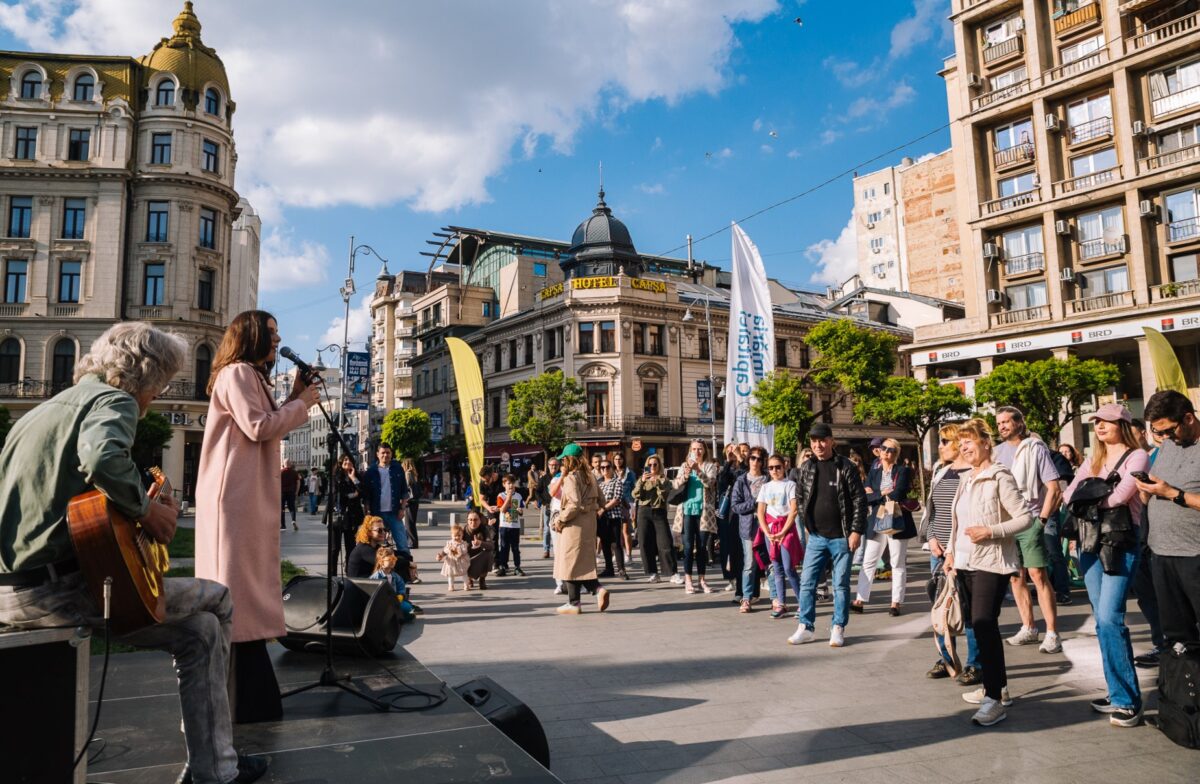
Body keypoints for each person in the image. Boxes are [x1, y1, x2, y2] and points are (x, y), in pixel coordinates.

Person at [0, 323, 267, 784]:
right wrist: (147, 512)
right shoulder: (114, 400)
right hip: (60, 593)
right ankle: (217, 764)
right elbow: (103, 457)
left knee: (200, 631)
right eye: (161, 385)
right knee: (219, 598)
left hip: (11, 592)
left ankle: (214, 763)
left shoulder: (41, 413)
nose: (155, 399)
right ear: (146, 375)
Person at [195, 310, 317, 725]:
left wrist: (293, 397)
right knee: (238, 586)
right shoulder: (237, 373)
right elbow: (258, 427)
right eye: (271, 332)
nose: (278, 340)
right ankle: (242, 695)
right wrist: (301, 404)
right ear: (250, 336)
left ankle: (244, 692)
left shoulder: (245, 375)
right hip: (236, 497)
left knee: (242, 586)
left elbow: (264, 424)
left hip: (241, 495)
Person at [1061, 404, 1148, 727]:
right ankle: (1117, 691)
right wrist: (1089, 498)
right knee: (1102, 620)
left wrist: (1088, 499)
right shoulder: (1092, 459)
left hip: (1119, 542)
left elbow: (1121, 496)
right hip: (1089, 542)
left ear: (1121, 425)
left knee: (1111, 618)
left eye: (1107, 421)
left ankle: (1128, 701)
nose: (1099, 426)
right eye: (1096, 421)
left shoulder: (1137, 456)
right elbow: (1069, 494)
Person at [945, 418, 1033, 727]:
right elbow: (958, 521)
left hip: (991, 561)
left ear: (986, 443)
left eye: (969, 441)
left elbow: (1025, 517)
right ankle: (999, 688)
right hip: (964, 563)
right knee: (979, 625)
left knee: (984, 624)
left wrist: (991, 531)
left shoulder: (998, 476)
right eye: (961, 443)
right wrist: (950, 552)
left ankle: (994, 699)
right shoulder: (967, 478)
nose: (964, 447)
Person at [1135, 391, 1200, 676]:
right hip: (1162, 553)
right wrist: (1147, 490)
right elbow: (1158, 488)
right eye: (1157, 432)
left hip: (1194, 554)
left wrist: (1173, 493)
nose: (1164, 438)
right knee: (1177, 637)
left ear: (1188, 418)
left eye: (1169, 430)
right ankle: (1185, 698)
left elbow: (1173, 492)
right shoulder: (1169, 445)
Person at [788, 423, 867, 647]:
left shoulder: (845, 466)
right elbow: (800, 497)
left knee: (840, 584)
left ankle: (838, 627)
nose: (818, 445)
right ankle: (806, 627)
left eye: (822, 440)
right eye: (814, 441)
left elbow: (859, 500)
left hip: (842, 536)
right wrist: (806, 522)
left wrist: (856, 531)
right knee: (807, 582)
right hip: (816, 537)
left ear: (832, 441)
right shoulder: (807, 467)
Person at [992, 406, 1062, 654]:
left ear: (1020, 423)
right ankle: (1029, 627)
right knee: (1015, 577)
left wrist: (1041, 521)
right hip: (1007, 522)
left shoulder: (1035, 448)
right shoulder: (996, 452)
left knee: (1038, 575)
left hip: (1031, 519)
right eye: (998, 423)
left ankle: (1052, 633)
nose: (1002, 426)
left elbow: (1054, 488)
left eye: (1006, 422)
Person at [923, 423, 980, 685]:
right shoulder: (941, 471)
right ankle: (946, 658)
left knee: (966, 608)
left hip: (962, 552)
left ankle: (975, 663)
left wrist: (954, 548)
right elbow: (931, 510)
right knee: (941, 606)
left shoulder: (973, 472)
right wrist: (931, 537)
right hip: (938, 550)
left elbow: (971, 515)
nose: (941, 446)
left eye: (945, 441)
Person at [853, 437, 916, 616]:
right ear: (879, 451)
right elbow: (865, 497)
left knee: (897, 562)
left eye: (891, 450)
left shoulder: (902, 471)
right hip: (877, 519)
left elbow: (898, 493)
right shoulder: (874, 472)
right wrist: (881, 493)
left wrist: (876, 494)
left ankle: (895, 602)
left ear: (896, 454)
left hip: (897, 518)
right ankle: (859, 599)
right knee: (869, 560)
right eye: (884, 448)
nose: (886, 452)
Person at [554, 444, 610, 614]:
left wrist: (560, 519)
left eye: (564, 459)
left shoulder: (571, 478)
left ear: (569, 460)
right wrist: (592, 509)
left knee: (569, 564)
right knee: (581, 564)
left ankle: (575, 603)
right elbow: (602, 500)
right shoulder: (590, 476)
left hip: (574, 525)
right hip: (589, 524)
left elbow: (574, 504)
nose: (562, 462)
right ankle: (596, 590)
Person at [672, 440, 720, 594]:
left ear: (704, 450)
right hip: (686, 510)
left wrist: (697, 470)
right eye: (694, 449)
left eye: (700, 449)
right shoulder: (684, 466)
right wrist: (685, 475)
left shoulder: (710, 466)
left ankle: (702, 580)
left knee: (701, 547)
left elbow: (710, 484)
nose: (697, 452)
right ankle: (688, 580)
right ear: (690, 451)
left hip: (703, 512)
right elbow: (675, 485)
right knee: (687, 547)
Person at [758, 454, 801, 618]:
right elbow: (760, 512)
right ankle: (781, 603)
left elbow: (794, 510)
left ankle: (803, 603)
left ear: (784, 466)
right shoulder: (765, 487)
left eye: (778, 467)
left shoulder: (790, 485)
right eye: (771, 468)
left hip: (786, 529)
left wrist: (783, 532)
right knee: (776, 568)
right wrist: (767, 532)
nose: (774, 470)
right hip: (771, 531)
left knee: (789, 568)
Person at [733, 446, 772, 612]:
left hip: (768, 527)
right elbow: (735, 506)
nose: (755, 461)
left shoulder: (769, 479)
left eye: (759, 459)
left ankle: (776, 599)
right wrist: (754, 503)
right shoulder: (741, 480)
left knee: (770, 564)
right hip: (748, 528)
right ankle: (746, 598)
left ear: (763, 462)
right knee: (749, 565)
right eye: (753, 458)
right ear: (748, 459)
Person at [360, 444, 411, 552]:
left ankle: (406, 562)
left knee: (402, 544)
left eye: (388, 452)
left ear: (391, 454)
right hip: (376, 513)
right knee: (375, 544)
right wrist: (367, 511)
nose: (385, 455)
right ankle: (377, 562)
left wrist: (402, 509)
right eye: (383, 453)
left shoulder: (398, 469)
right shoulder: (371, 471)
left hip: (394, 513)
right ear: (377, 454)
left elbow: (404, 491)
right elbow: (366, 495)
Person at [633, 455, 672, 582]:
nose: (652, 467)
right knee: (645, 542)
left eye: (655, 464)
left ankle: (672, 572)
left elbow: (664, 496)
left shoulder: (664, 480)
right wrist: (642, 481)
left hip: (658, 510)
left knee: (665, 542)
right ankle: (653, 573)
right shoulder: (642, 479)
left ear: (659, 465)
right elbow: (635, 494)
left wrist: (657, 483)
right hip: (644, 510)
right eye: (650, 465)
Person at [718, 445, 746, 596]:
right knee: (729, 548)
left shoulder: (745, 467)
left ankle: (744, 585)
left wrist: (740, 458)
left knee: (742, 551)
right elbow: (722, 483)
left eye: (734, 451)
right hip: (729, 514)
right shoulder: (726, 469)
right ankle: (733, 580)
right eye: (729, 451)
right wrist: (728, 462)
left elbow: (746, 477)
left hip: (744, 512)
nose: (732, 454)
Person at [333, 455, 364, 572]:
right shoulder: (336, 477)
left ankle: (349, 572)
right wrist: (352, 495)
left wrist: (353, 478)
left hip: (352, 516)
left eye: (350, 459)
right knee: (334, 548)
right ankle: (333, 575)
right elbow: (336, 495)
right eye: (345, 459)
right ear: (340, 462)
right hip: (338, 516)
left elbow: (362, 492)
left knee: (351, 546)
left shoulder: (357, 476)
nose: (348, 461)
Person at [598, 459, 628, 579]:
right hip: (601, 518)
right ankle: (609, 569)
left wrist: (603, 508)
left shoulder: (617, 481)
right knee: (605, 543)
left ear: (612, 468)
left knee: (616, 543)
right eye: (602, 467)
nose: (605, 469)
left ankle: (621, 570)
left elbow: (617, 499)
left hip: (614, 516)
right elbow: (596, 499)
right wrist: (601, 507)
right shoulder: (599, 483)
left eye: (607, 467)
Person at [495, 473, 526, 576]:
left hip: (515, 526)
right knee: (504, 547)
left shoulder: (518, 496)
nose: (511, 485)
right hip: (504, 526)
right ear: (504, 484)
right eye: (508, 483)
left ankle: (517, 567)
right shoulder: (501, 495)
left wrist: (520, 511)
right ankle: (503, 566)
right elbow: (502, 510)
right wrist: (508, 498)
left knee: (515, 548)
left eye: (512, 483)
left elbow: (521, 510)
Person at [613, 453, 637, 568]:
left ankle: (629, 555)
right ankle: (618, 553)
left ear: (623, 460)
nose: (618, 461)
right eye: (616, 459)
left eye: (620, 459)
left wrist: (633, 505)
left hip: (627, 503)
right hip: (614, 504)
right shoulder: (611, 472)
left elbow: (635, 489)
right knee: (616, 531)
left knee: (626, 530)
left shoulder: (630, 473)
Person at [464, 510, 494, 590]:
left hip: (480, 557)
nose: (473, 522)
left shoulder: (484, 530)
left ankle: (482, 579)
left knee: (489, 553)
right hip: (467, 558)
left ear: (480, 520)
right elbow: (453, 544)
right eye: (470, 520)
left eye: (475, 520)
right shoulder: (463, 530)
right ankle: (468, 578)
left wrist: (480, 543)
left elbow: (491, 545)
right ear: (467, 520)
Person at [437, 523, 471, 591]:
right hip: (451, 561)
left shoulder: (463, 543)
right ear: (451, 535)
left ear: (462, 535)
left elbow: (464, 551)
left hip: (461, 561)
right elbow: (445, 550)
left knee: (464, 573)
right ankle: (451, 586)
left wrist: (457, 550)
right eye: (455, 536)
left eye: (459, 535)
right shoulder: (449, 543)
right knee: (450, 574)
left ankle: (466, 584)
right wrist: (441, 555)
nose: (457, 537)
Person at [536, 458, 558, 559]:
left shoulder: (561, 477)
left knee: (559, 528)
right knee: (547, 529)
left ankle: (558, 550)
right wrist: (542, 502)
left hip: (559, 506)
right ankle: (546, 550)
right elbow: (537, 492)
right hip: (548, 505)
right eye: (552, 465)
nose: (554, 467)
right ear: (548, 466)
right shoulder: (544, 479)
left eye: (555, 465)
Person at [402, 457, 420, 549]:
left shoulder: (408, 473)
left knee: (409, 523)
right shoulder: (414, 473)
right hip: (414, 501)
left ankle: (412, 543)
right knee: (412, 523)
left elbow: (407, 487)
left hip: (410, 501)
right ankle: (413, 542)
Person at [280, 460, 300, 531]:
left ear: (284, 464)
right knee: (292, 508)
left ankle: (283, 525)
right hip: (291, 492)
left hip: (282, 492)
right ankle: (293, 520)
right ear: (290, 464)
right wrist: (296, 492)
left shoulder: (281, 472)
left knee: (281, 508)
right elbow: (298, 482)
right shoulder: (294, 472)